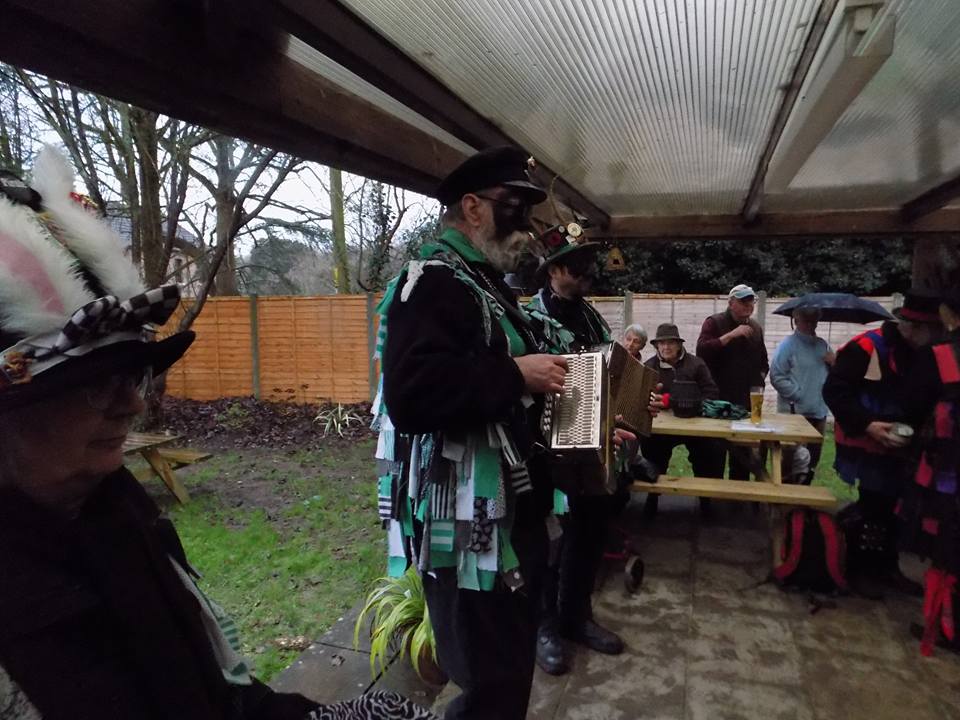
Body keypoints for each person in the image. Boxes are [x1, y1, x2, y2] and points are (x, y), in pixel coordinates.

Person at [0, 149, 434, 720]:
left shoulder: (116, 509)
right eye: (93, 386)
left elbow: (209, 695)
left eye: (131, 376)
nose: (133, 403)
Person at [375, 147, 567, 719]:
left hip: (513, 515)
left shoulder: (484, 283)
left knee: (507, 675)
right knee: (490, 685)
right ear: (473, 207)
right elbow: (411, 395)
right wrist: (515, 374)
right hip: (468, 531)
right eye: (514, 208)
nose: (526, 226)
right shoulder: (433, 282)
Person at [523, 224, 628, 677]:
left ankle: (576, 616)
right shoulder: (527, 319)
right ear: (554, 271)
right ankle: (544, 628)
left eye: (589, 263)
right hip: (542, 450)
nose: (588, 272)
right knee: (548, 540)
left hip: (592, 448)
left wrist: (626, 409)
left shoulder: (592, 318)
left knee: (589, 532)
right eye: (577, 265)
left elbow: (608, 376)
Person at [823, 290, 943, 598]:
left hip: (901, 444)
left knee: (894, 507)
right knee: (873, 504)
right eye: (932, 330)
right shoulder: (865, 347)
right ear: (912, 327)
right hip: (866, 441)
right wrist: (868, 425)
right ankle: (859, 568)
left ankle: (886, 566)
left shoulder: (921, 354)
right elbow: (835, 391)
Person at [897, 289, 960, 655]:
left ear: (948, 314)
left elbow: (911, 406)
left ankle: (946, 622)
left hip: (947, 470)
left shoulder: (938, 357)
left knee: (946, 542)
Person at [641, 323, 723, 517]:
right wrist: (651, 401)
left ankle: (705, 500)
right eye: (661, 343)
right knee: (653, 455)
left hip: (694, 425)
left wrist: (671, 401)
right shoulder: (649, 367)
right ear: (656, 346)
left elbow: (711, 393)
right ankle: (652, 497)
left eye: (670, 343)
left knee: (705, 456)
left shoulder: (696, 364)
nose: (666, 347)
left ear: (679, 345)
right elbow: (641, 397)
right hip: (662, 429)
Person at [696, 284, 769, 480]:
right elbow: (701, 350)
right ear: (731, 303)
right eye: (743, 301)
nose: (748, 305)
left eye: (750, 301)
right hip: (718, 402)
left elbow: (763, 361)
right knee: (715, 457)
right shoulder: (714, 322)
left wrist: (760, 379)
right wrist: (731, 335)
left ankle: (738, 496)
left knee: (743, 459)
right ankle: (711, 497)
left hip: (746, 403)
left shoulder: (755, 327)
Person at [769, 307, 835, 483]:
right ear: (796, 321)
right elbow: (776, 376)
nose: (811, 324)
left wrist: (834, 363)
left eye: (814, 320)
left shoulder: (823, 345)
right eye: (806, 320)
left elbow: (834, 376)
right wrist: (797, 394)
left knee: (812, 461)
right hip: (794, 413)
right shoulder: (788, 345)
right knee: (790, 461)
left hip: (819, 412)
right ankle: (784, 496)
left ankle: (804, 493)